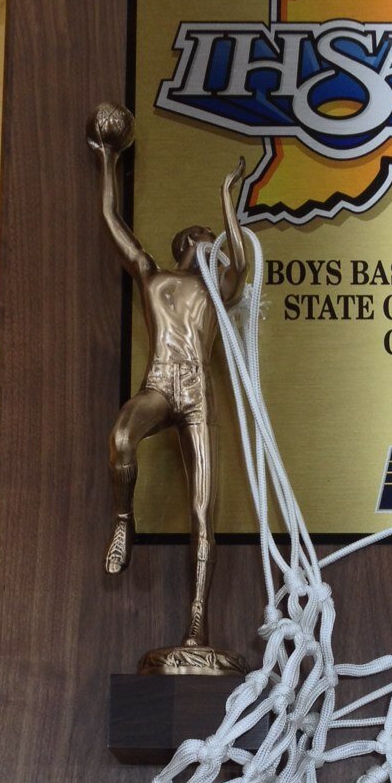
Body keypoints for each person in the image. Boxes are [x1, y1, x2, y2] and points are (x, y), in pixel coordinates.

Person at [89, 101, 248, 655]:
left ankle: (197, 629)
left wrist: (229, 200)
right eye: (205, 240)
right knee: (121, 438)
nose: (213, 247)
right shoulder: (154, 278)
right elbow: (113, 224)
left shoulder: (215, 290)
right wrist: (108, 160)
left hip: (198, 395)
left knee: (204, 513)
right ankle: (124, 518)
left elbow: (241, 266)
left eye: (215, 242)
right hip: (160, 385)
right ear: (187, 247)